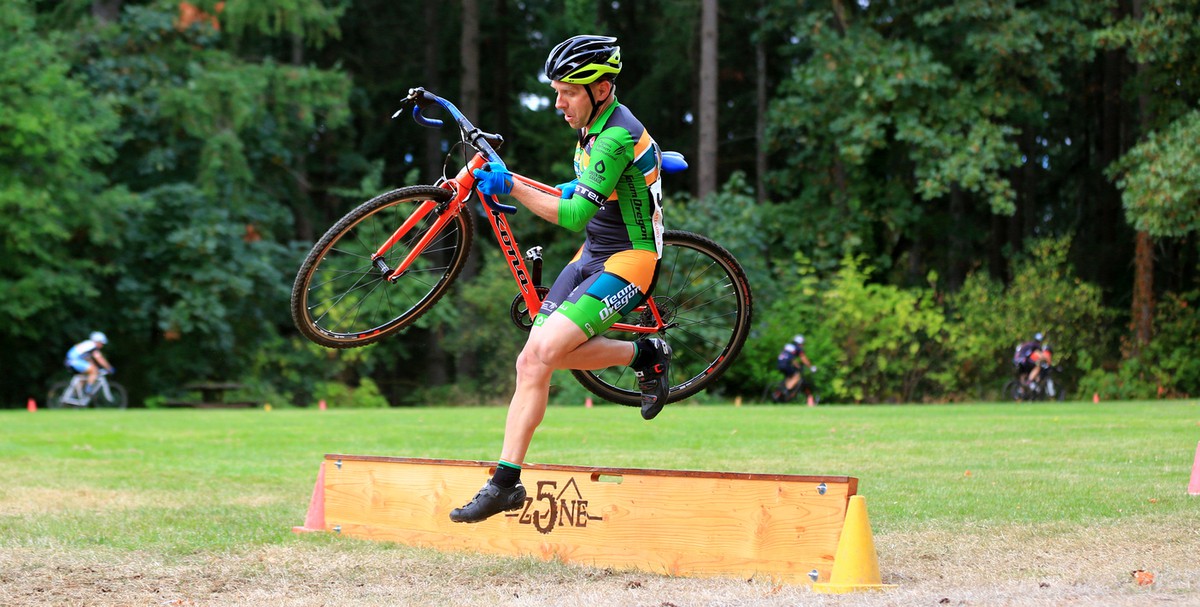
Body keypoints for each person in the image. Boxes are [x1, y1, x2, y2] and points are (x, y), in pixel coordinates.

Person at [449, 35, 670, 524]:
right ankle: (505, 484)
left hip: (630, 259)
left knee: (547, 350)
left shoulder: (613, 135)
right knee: (531, 361)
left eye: (568, 92)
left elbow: (571, 215)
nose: (558, 103)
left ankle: (645, 352)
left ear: (601, 89)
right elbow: (591, 188)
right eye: (556, 91)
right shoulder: (591, 125)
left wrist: (513, 186)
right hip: (592, 254)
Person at [776, 334, 817, 406]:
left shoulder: (788, 346)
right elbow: (803, 359)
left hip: (779, 363)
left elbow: (791, 359)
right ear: (800, 343)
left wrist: (798, 366)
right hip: (786, 364)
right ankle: (787, 389)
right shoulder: (798, 348)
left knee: (790, 376)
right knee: (797, 376)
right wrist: (810, 367)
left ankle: (781, 390)